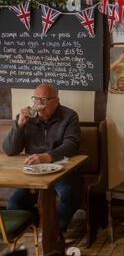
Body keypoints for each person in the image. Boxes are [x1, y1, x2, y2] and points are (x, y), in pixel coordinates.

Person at [2, 83, 83, 232]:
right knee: (14, 205)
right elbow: (10, 150)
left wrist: (47, 156)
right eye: (36, 99)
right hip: (33, 173)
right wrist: (19, 126)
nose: (38, 105)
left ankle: (53, 234)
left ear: (56, 101)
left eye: (43, 101)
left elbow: (72, 145)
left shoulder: (69, 116)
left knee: (69, 195)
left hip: (62, 171)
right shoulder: (27, 117)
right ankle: (34, 228)